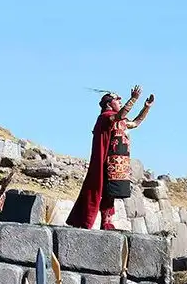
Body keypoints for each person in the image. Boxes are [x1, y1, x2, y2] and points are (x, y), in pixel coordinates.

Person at [66, 87, 155, 230]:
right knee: (101, 189)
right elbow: (118, 116)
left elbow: (136, 123)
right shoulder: (106, 117)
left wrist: (146, 108)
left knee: (111, 192)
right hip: (107, 160)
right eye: (117, 101)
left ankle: (106, 221)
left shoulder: (120, 120)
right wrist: (133, 99)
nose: (119, 102)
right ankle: (86, 221)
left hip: (119, 161)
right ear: (108, 104)